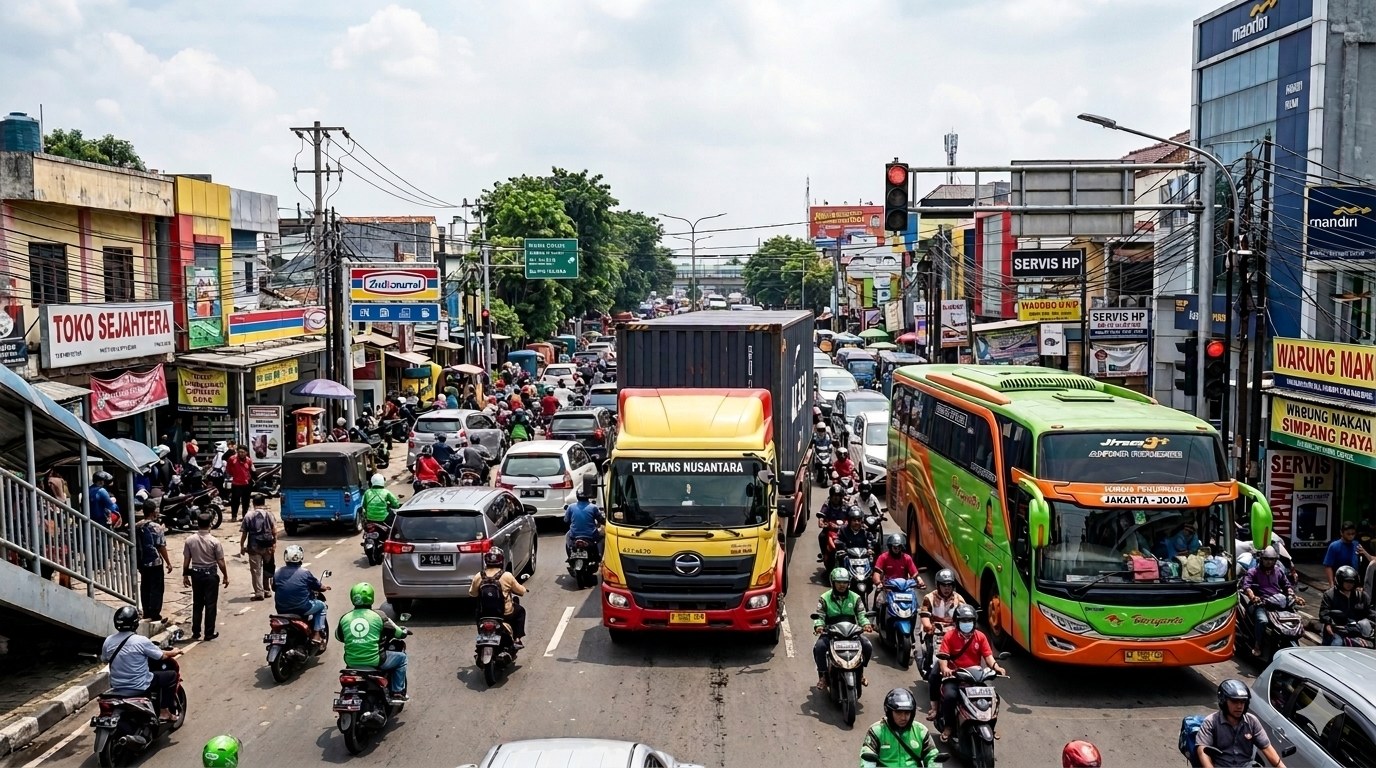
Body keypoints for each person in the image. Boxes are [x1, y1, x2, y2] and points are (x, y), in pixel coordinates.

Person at [935, 604, 1005, 741]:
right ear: (957, 622)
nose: (967, 624)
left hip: (975, 678)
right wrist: (945, 669)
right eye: (963, 621)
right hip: (955, 677)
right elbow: (943, 657)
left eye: (970, 621)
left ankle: (990, 724)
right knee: (950, 697)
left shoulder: (980, 637)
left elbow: (988, 656)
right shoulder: (949, 636)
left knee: (993, 698)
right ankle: (949, 726)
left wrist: (996, 667)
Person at [102, 607, 183, 722]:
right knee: (172, 676)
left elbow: (105, 659)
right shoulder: (141, 641)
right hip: (140, 686)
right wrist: (174, 652)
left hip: (117, 686)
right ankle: (164, 711)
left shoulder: (108, 641)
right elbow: (162, 656)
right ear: (135, 623)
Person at [335, 583, 408, 701]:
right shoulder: (379, 616)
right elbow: (398, 633)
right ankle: (397, 691)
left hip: (351, 663)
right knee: (402, 658)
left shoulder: (345, 618)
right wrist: (404, 632)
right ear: (371, 597)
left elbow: (339, 637)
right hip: (376, 661)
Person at [1196, 679, 1285, 768]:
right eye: (1234, 701)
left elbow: (1267, 748)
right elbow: (1202, 752)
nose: (1239, 706)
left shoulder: (1252, 721)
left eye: (1242, 702)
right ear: (1223, 701)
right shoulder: (1211, 722)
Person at [813, 566, 872, 690]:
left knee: (867, 646)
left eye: (844, 582)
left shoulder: (855, 597)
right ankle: (823, 676)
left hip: (852, 633)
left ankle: (860, 673)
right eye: (839, 582)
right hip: (831, 632)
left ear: (848, 583)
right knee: (819, 648)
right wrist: (819, 626)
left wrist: (866, 624)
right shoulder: (824, 598)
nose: (842, 585)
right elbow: (820, 615)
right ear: (833, 582)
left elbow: (861, 614)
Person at [1240, 546, 1304, 659]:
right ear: (1261, 559)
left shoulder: (1278, 571)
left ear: (1275, 560)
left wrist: (1294, 596)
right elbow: (1247, 586)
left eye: (1271, 559)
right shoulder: (1253, 572)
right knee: (1262, 621)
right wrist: (1253, 597)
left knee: (1295, 618)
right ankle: (1258, 645)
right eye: (1266, 559)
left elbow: (1287, 585)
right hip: (1261, 604)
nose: (1269, 562)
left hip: (1277, 602)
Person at [859, 688, 940, 768]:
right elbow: (867, 758)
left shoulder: (921, 731)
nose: (903, 718)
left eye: (907, 713)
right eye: (898, 713)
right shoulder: (876, 731)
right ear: (889, 712)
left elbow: (932, 756)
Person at [469, 547, 528, 649]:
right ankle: (517, 639)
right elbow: (521, 591)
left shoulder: (479, 576)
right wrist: (523, 589)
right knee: (520, 611)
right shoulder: (507, 576)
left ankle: (482, 633)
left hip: (484, 615)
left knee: (477, 612)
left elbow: (472, 593)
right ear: (501, 561)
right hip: (505, 614)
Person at [182, 513, 228, 640]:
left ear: (198, 523)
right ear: (210, 524)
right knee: (210, 604)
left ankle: (196, 632)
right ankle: (209, 633)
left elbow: (186, 559)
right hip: (210, 575)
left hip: (196, 575)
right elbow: (220, 561)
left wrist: (185, 575)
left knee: (197, 603)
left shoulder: (190, 540)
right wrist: (225, 575)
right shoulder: (215, 541)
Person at [275, 544, 330, 643]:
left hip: (281, 609)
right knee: (322, 606)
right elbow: (318, 587)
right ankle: (317, 634)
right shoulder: (305, 573)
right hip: (301, 608)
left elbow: (274, 588)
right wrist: (324, 587)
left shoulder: (278, 573)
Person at [135, 500, 172, 621]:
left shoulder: (137, 526)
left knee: (145, 586)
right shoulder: (156, 527)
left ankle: (146, 611)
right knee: (156, 588)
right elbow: (161, 546)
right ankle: (155, 612)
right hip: (155, 561)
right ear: (152, 512)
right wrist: (168, 562)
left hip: (142, 562)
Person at [1320, 564, 1372, 645]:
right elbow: (1324, 612)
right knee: (1337, 644)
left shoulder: (1361, 596)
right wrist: (1329, 623)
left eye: (1352, 582)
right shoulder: (1330, 595)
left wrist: (1366, 626)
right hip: (1337, 628)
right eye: (1347, 581)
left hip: (1357, 630)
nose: (1349, 584)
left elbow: (1371, 613)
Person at [239, 493, 277, 601]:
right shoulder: (269, 514)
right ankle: (267, 590)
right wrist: (274, 544)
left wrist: (242, 546)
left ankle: (259, 592)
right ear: (264, 503)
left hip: (254, 547)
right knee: (267, 567)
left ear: (253, 503)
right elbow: (274, 531)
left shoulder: (249, 515)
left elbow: (244, 533)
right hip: (268, 545)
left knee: (256, 570)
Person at [1324, 521, 1372, 589]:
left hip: (1354, 581)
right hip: (1340, 580)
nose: (1351, 536)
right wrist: (1331, 584)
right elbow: (1328, 566)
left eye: (1353, 534)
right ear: (1342, 533)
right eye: (1348, 534)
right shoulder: (1334, 546)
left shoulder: (1357, 545)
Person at [564, 489, 605, 557]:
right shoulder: (593, 507)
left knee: (567, 535)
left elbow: (566, 520)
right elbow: (600, 519)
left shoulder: (571, 507)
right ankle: (600, 555)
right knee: (601, 537)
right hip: (591, 535)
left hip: (574, 535)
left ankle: (570, 554)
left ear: (577, 496)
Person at [817, 484, 850, 564]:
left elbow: (851, 513)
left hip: (843, 529)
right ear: (831, 496)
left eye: (838, 496)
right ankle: (824, 554)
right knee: (821, 536)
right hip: (830, 528)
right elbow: (822, 513)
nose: (836, 498)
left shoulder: (846, 504)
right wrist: (821, 521)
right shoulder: (827, 504)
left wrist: (849, 522)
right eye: (834, 495)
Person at [225, 445, 253, 524]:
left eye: (243, 452)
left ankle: (244, 516)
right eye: (239, 452)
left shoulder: (248, 460)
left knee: (246, 501)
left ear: (246, 453)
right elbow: (228, 469)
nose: (241, 454)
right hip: (236, 483)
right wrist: (234, 475)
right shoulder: (232, 459)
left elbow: (250, 470)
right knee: (235, 501)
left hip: (246, 484)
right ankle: (234, 516)